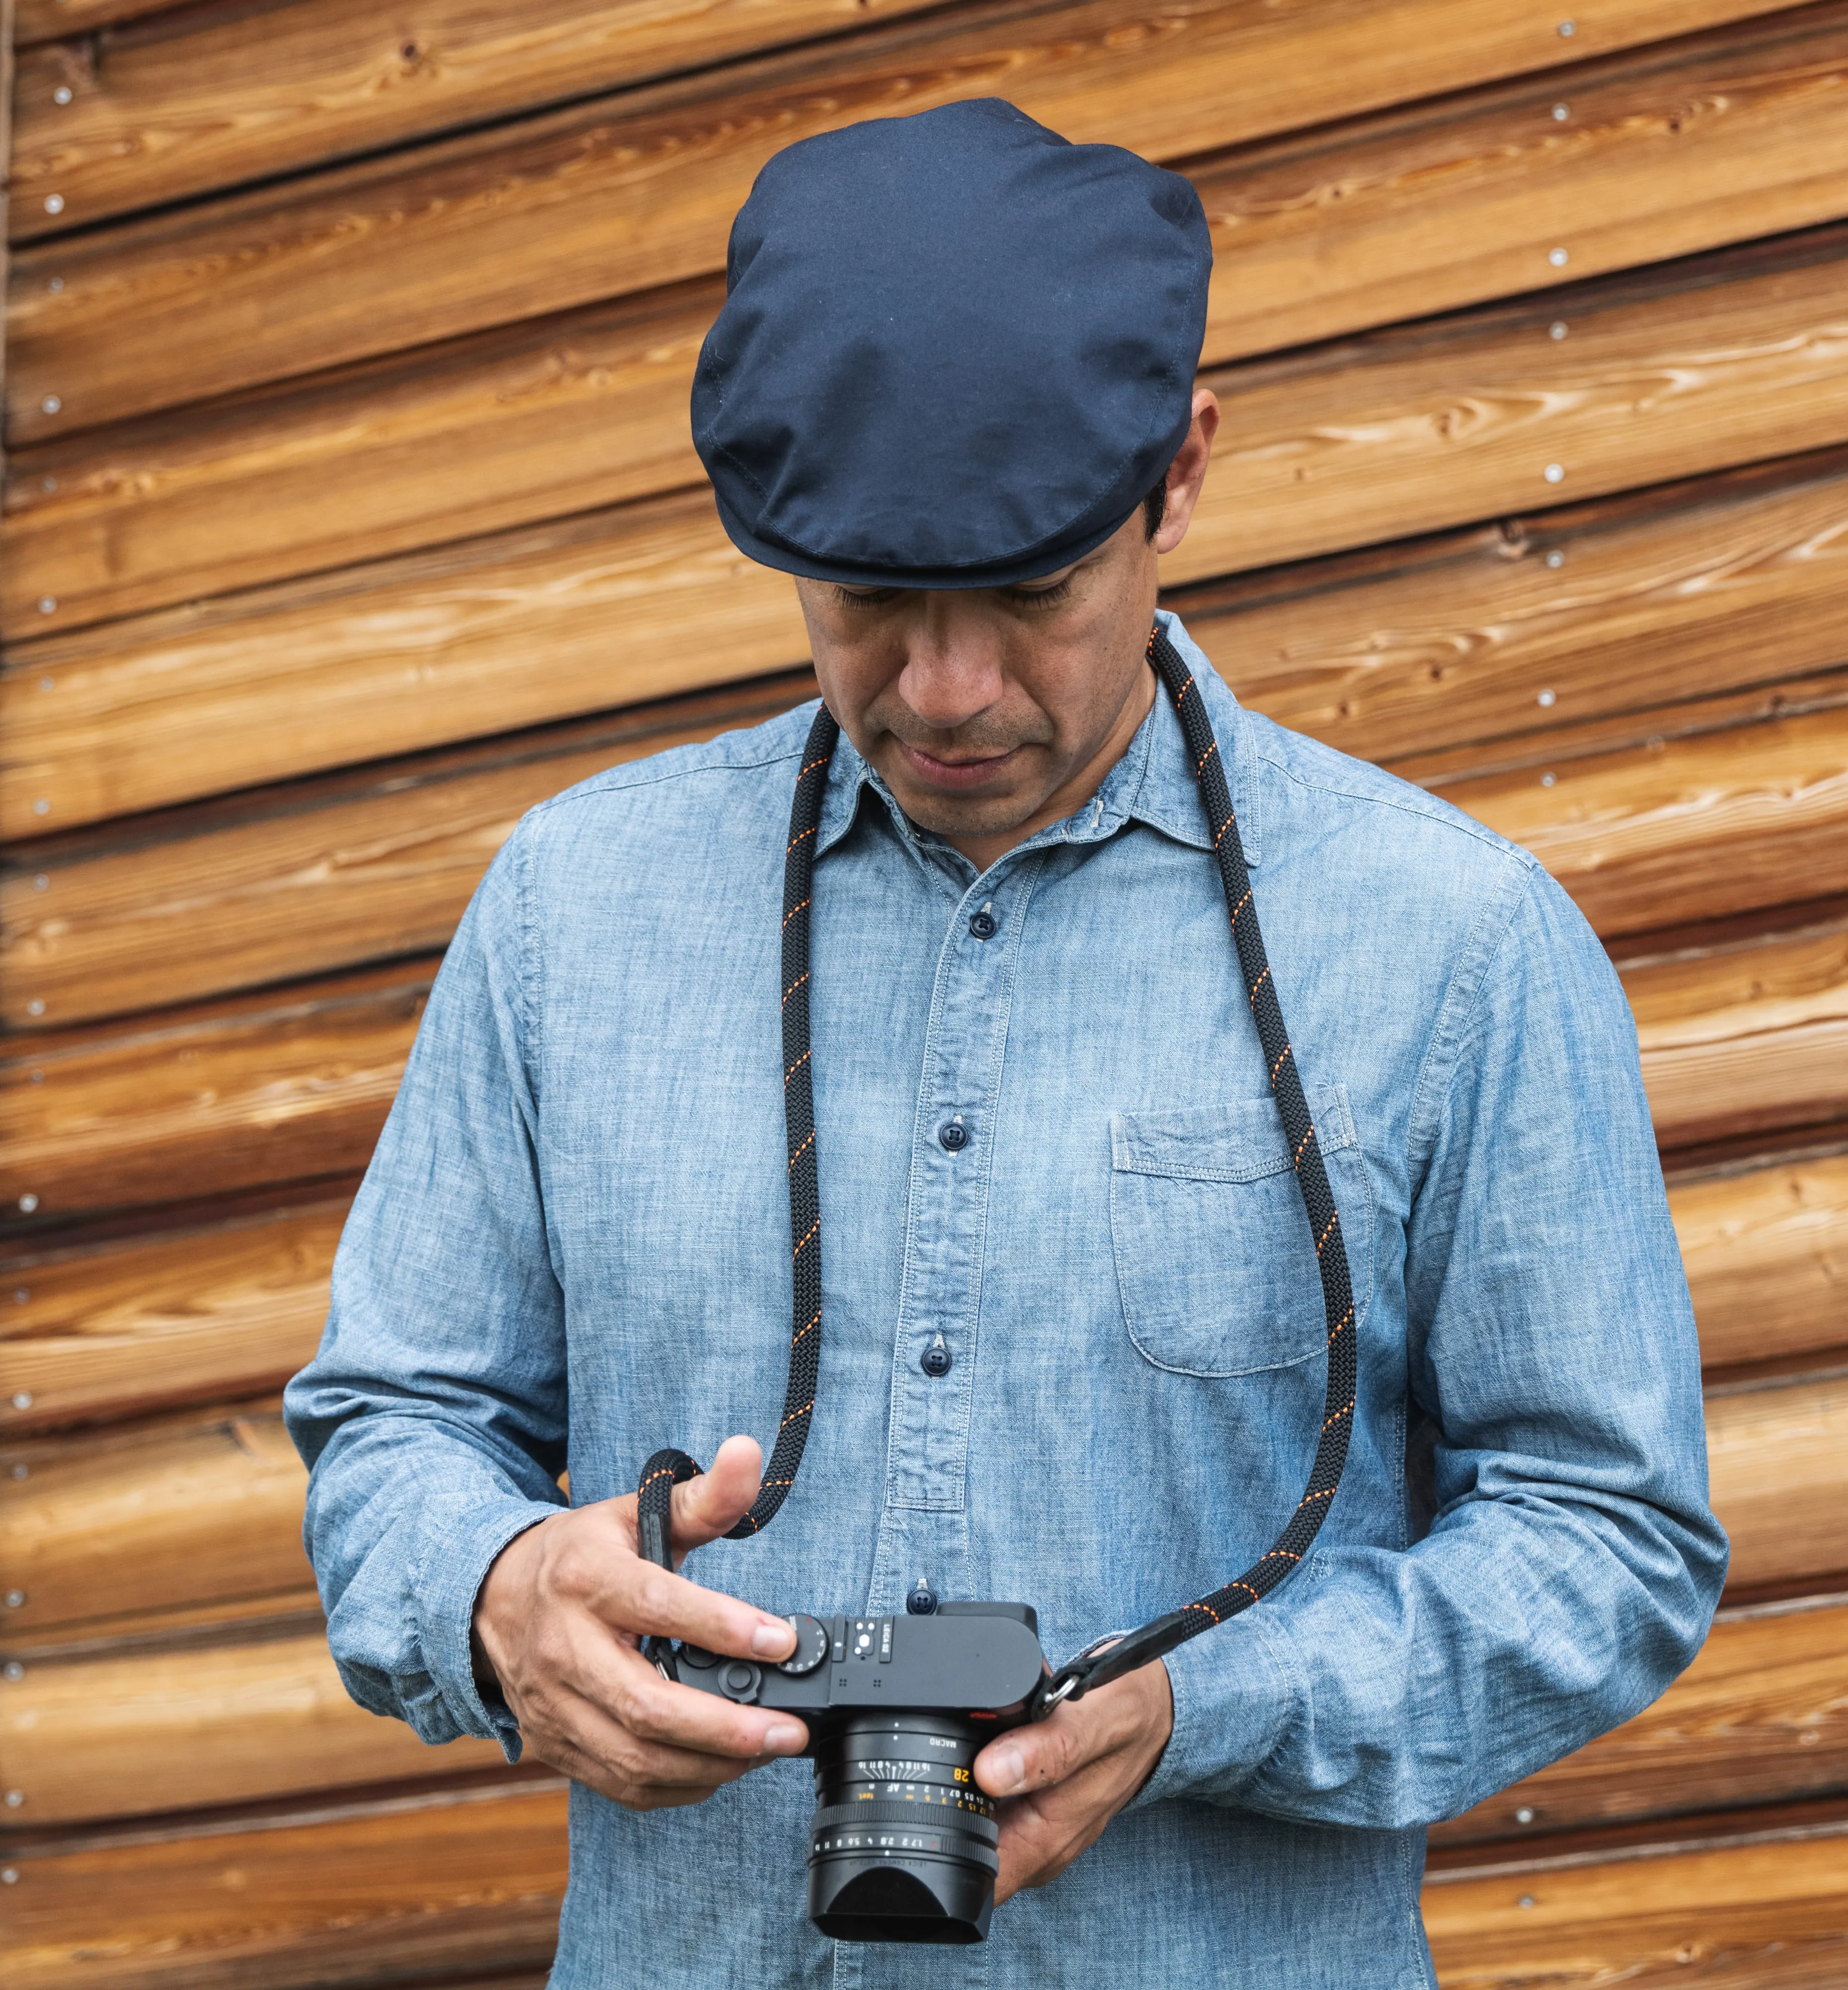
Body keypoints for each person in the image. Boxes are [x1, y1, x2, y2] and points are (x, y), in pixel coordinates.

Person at [287, 97, 1727, 1989]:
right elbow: (395, 1425)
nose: (948, 689)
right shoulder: (571, 908)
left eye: (1035, 588)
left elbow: (1610, 1541)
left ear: (1181, 474)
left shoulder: (1452, 943)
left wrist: (1213, 1704)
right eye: (871, 597)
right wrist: (488, 1600)